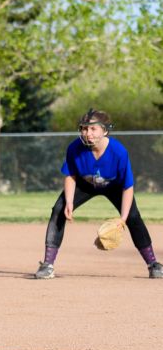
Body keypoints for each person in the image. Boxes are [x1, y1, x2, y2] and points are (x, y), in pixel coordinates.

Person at [34, 108, 162, 280]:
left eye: (93, 128)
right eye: (84, 129)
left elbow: (127, 186)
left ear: (105, 130)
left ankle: (153, 264)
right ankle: (48, 265)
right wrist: (69, 202)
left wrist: (122, 220)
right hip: (85, 185)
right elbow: (71, 175)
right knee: (59, 209)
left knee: (133, 216)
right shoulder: (74, 148)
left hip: (114, 186)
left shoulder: (119, 152)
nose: (88, 133)